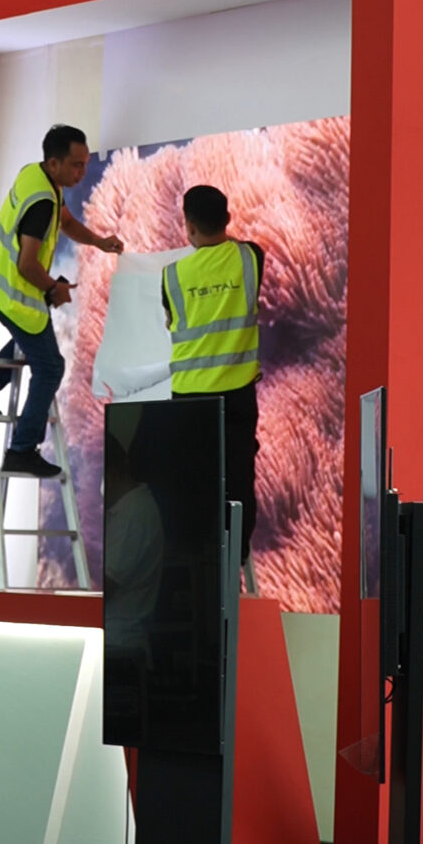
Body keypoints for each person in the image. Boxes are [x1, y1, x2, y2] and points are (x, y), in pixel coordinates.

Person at [0, 124, 124, 477]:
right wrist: (54, 289)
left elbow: (66, 221)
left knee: (33, 343)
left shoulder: (36, 177)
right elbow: (26, 264)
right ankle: (22, 449)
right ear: (54, 163)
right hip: (7, 292)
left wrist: (99, 242)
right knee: (51, 366)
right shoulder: (42, 202)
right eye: (76, 165)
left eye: (84, 164)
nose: (81, 172)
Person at [161, 184, 264, 564]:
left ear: (188, 225)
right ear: (228, 219)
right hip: (237, 392)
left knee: (190, 481)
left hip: (189, 395)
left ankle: (194, 561)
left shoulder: (172, 275)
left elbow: (171, 320)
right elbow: (237, 247)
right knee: (238, 476)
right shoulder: (251, 257)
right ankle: (235, 556)